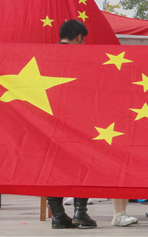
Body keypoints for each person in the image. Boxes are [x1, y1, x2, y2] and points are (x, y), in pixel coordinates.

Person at [45, 20, 97, 229]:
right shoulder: (84, 57)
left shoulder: (44, 55)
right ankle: (80, 212)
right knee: (81, 164)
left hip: (47, 121)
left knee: (51, 167)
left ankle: (58, 215)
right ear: (79, 37)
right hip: (78, 121)